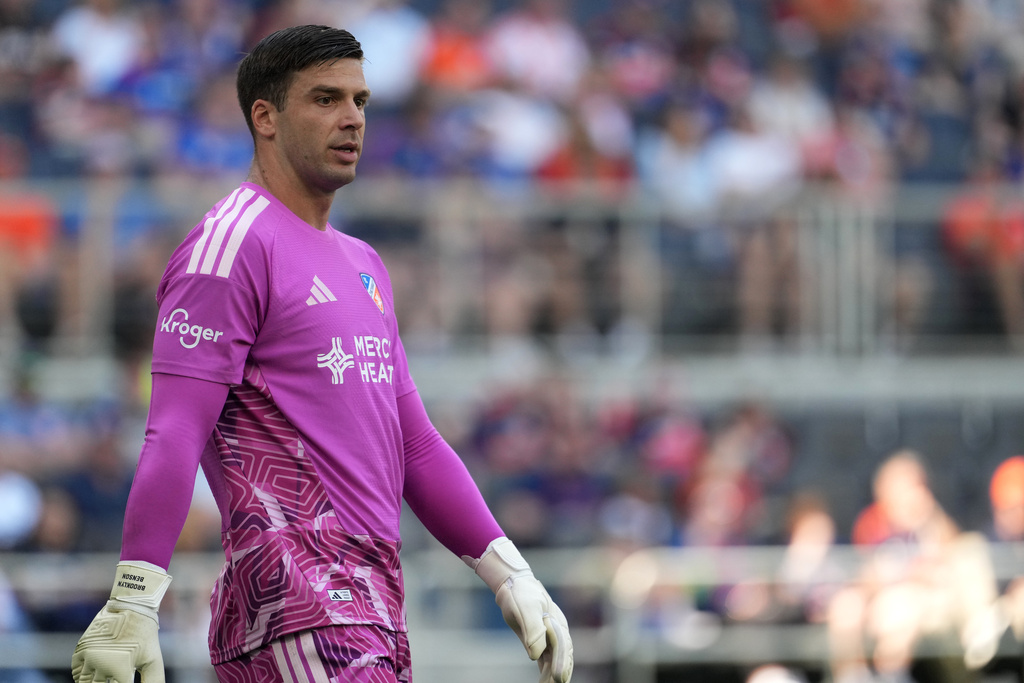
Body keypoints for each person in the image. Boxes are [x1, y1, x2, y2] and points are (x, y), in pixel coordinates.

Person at [70, 24, 573, 683]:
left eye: (361, 102)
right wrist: (135, 598)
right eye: (326, 99)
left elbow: (414, 443)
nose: (352, 119)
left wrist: (509, 572)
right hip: (298, 597)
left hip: (372, 603)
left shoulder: (364, 263)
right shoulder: (229, 246)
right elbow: (174, 430)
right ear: (266, 117)